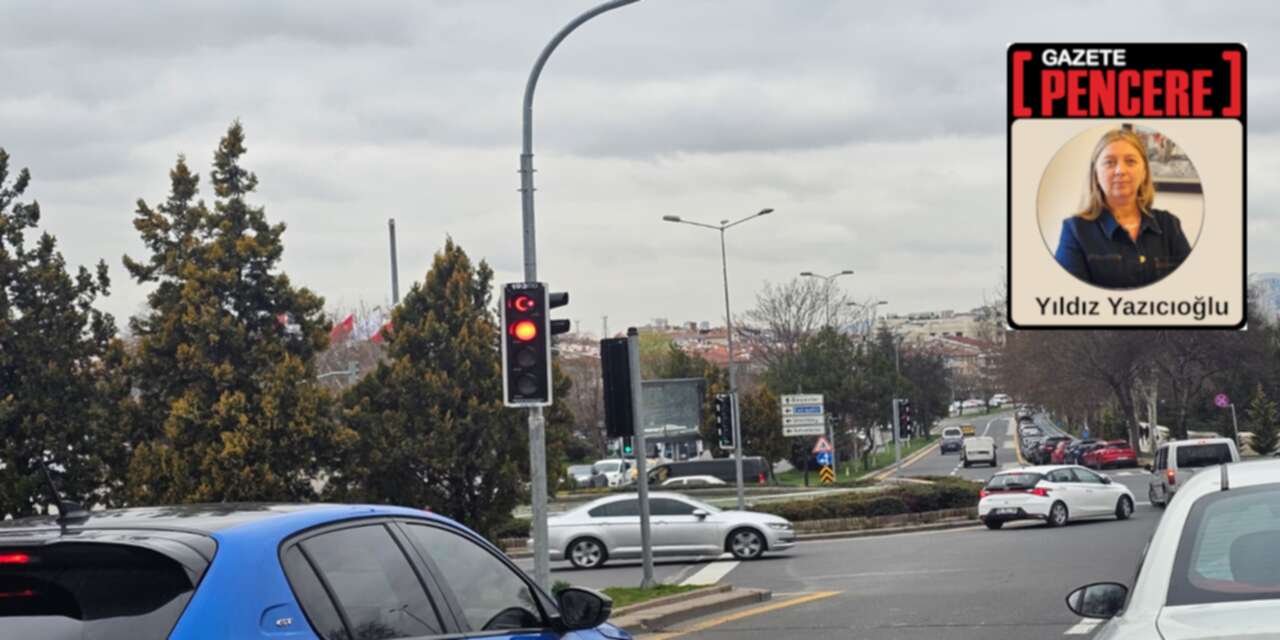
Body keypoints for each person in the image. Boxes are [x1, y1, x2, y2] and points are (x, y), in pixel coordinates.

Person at [1054, 129, 1192, 288]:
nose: (1121, 171)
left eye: (1131, 161)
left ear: (1144, 172)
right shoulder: (1075, 231)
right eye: (1110, 162)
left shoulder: (1169, 225)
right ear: (1095, 174)